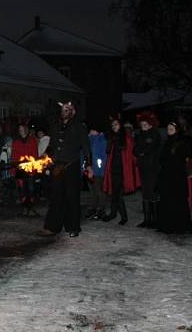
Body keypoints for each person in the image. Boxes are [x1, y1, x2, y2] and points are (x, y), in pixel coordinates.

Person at [38, 102, 92, 238]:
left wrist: (89, 164)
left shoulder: (79, 127)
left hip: (71, 165)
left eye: (67, 109)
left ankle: (73, 227)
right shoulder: (55, 126)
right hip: (57, 166)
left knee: (72, 197)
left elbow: (86, 147)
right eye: (63, 109)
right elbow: (51, 146)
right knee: (56, 196)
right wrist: (45, 156)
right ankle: (52, 227)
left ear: (72, 112)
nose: (64, 111)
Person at [156, 121, 192, 234]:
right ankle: (166, 225)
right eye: (168, 129)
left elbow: (182, 158)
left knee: (177, 201)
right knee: (166, 200)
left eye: (171, 129)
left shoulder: (183, 143)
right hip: (166, 175)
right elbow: (162, 158)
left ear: (177, 130)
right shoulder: (166, 142)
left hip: (177, 176)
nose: (169, 131)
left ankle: (179, 226)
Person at [102, 116, 140, 226]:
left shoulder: (126, 138)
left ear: (120, 126)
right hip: (112, 168)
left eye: (116, 124)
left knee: (117, 193)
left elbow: (131, 155)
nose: (114, 126)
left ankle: (122, 216)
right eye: (113, 125)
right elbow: (108, 152)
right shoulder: (112, 138)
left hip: (122, 169)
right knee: (114, 192)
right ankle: (114, 214)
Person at [133, 111, 161, 228]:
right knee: (145, 193)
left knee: (152, 192)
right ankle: (146, 219)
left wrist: (142, 151)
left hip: (153, 168)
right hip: (143, 167)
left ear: (150, 124)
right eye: (142, 124)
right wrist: (140, 152)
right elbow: (135, 150)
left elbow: (150, 148)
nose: (143, 126)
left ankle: (155, 220)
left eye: (146, 124)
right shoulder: (140, 135)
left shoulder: (155, 134)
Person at [12, 123, 39, 216]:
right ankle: (24, 208)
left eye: (22, 129)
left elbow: (35, 154)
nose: (20, 130)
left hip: (30, 168)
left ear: (25, 129)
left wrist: (34, 166)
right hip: (20, 169)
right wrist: (14, 168)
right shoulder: (16, 141)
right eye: (19, 129)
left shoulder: (32, 141)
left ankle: (31, 207)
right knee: (22, 189)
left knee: (31, 189)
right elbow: (14, 156)